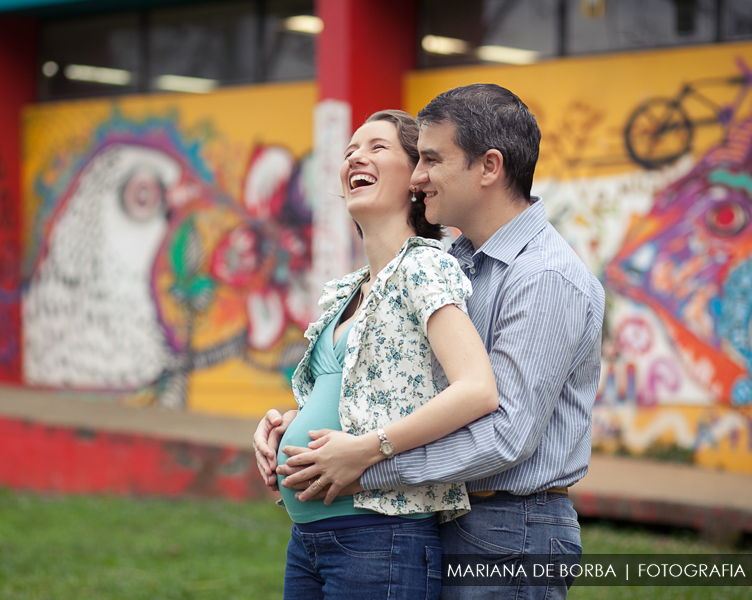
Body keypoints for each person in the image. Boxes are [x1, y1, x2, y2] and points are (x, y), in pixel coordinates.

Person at [255, 84, 605, 600]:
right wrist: (312, 425)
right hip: (452, 514)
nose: (419, 177)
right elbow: (414, 383)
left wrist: (368, 467)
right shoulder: (460, 262)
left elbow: (507, 435)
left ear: (489, 167)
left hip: (510, 529)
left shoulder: (546, 277)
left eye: (432, 160)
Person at [273, 109, 498, 600]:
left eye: (377, 147)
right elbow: (358, 394)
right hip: (308, 539)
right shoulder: (350, 290)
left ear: (418, 178)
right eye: (351, 149)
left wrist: (367, 449)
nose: (356, 155)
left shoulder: (422, 268)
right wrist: (283, 424)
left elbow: (477, 389)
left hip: (379, 538)